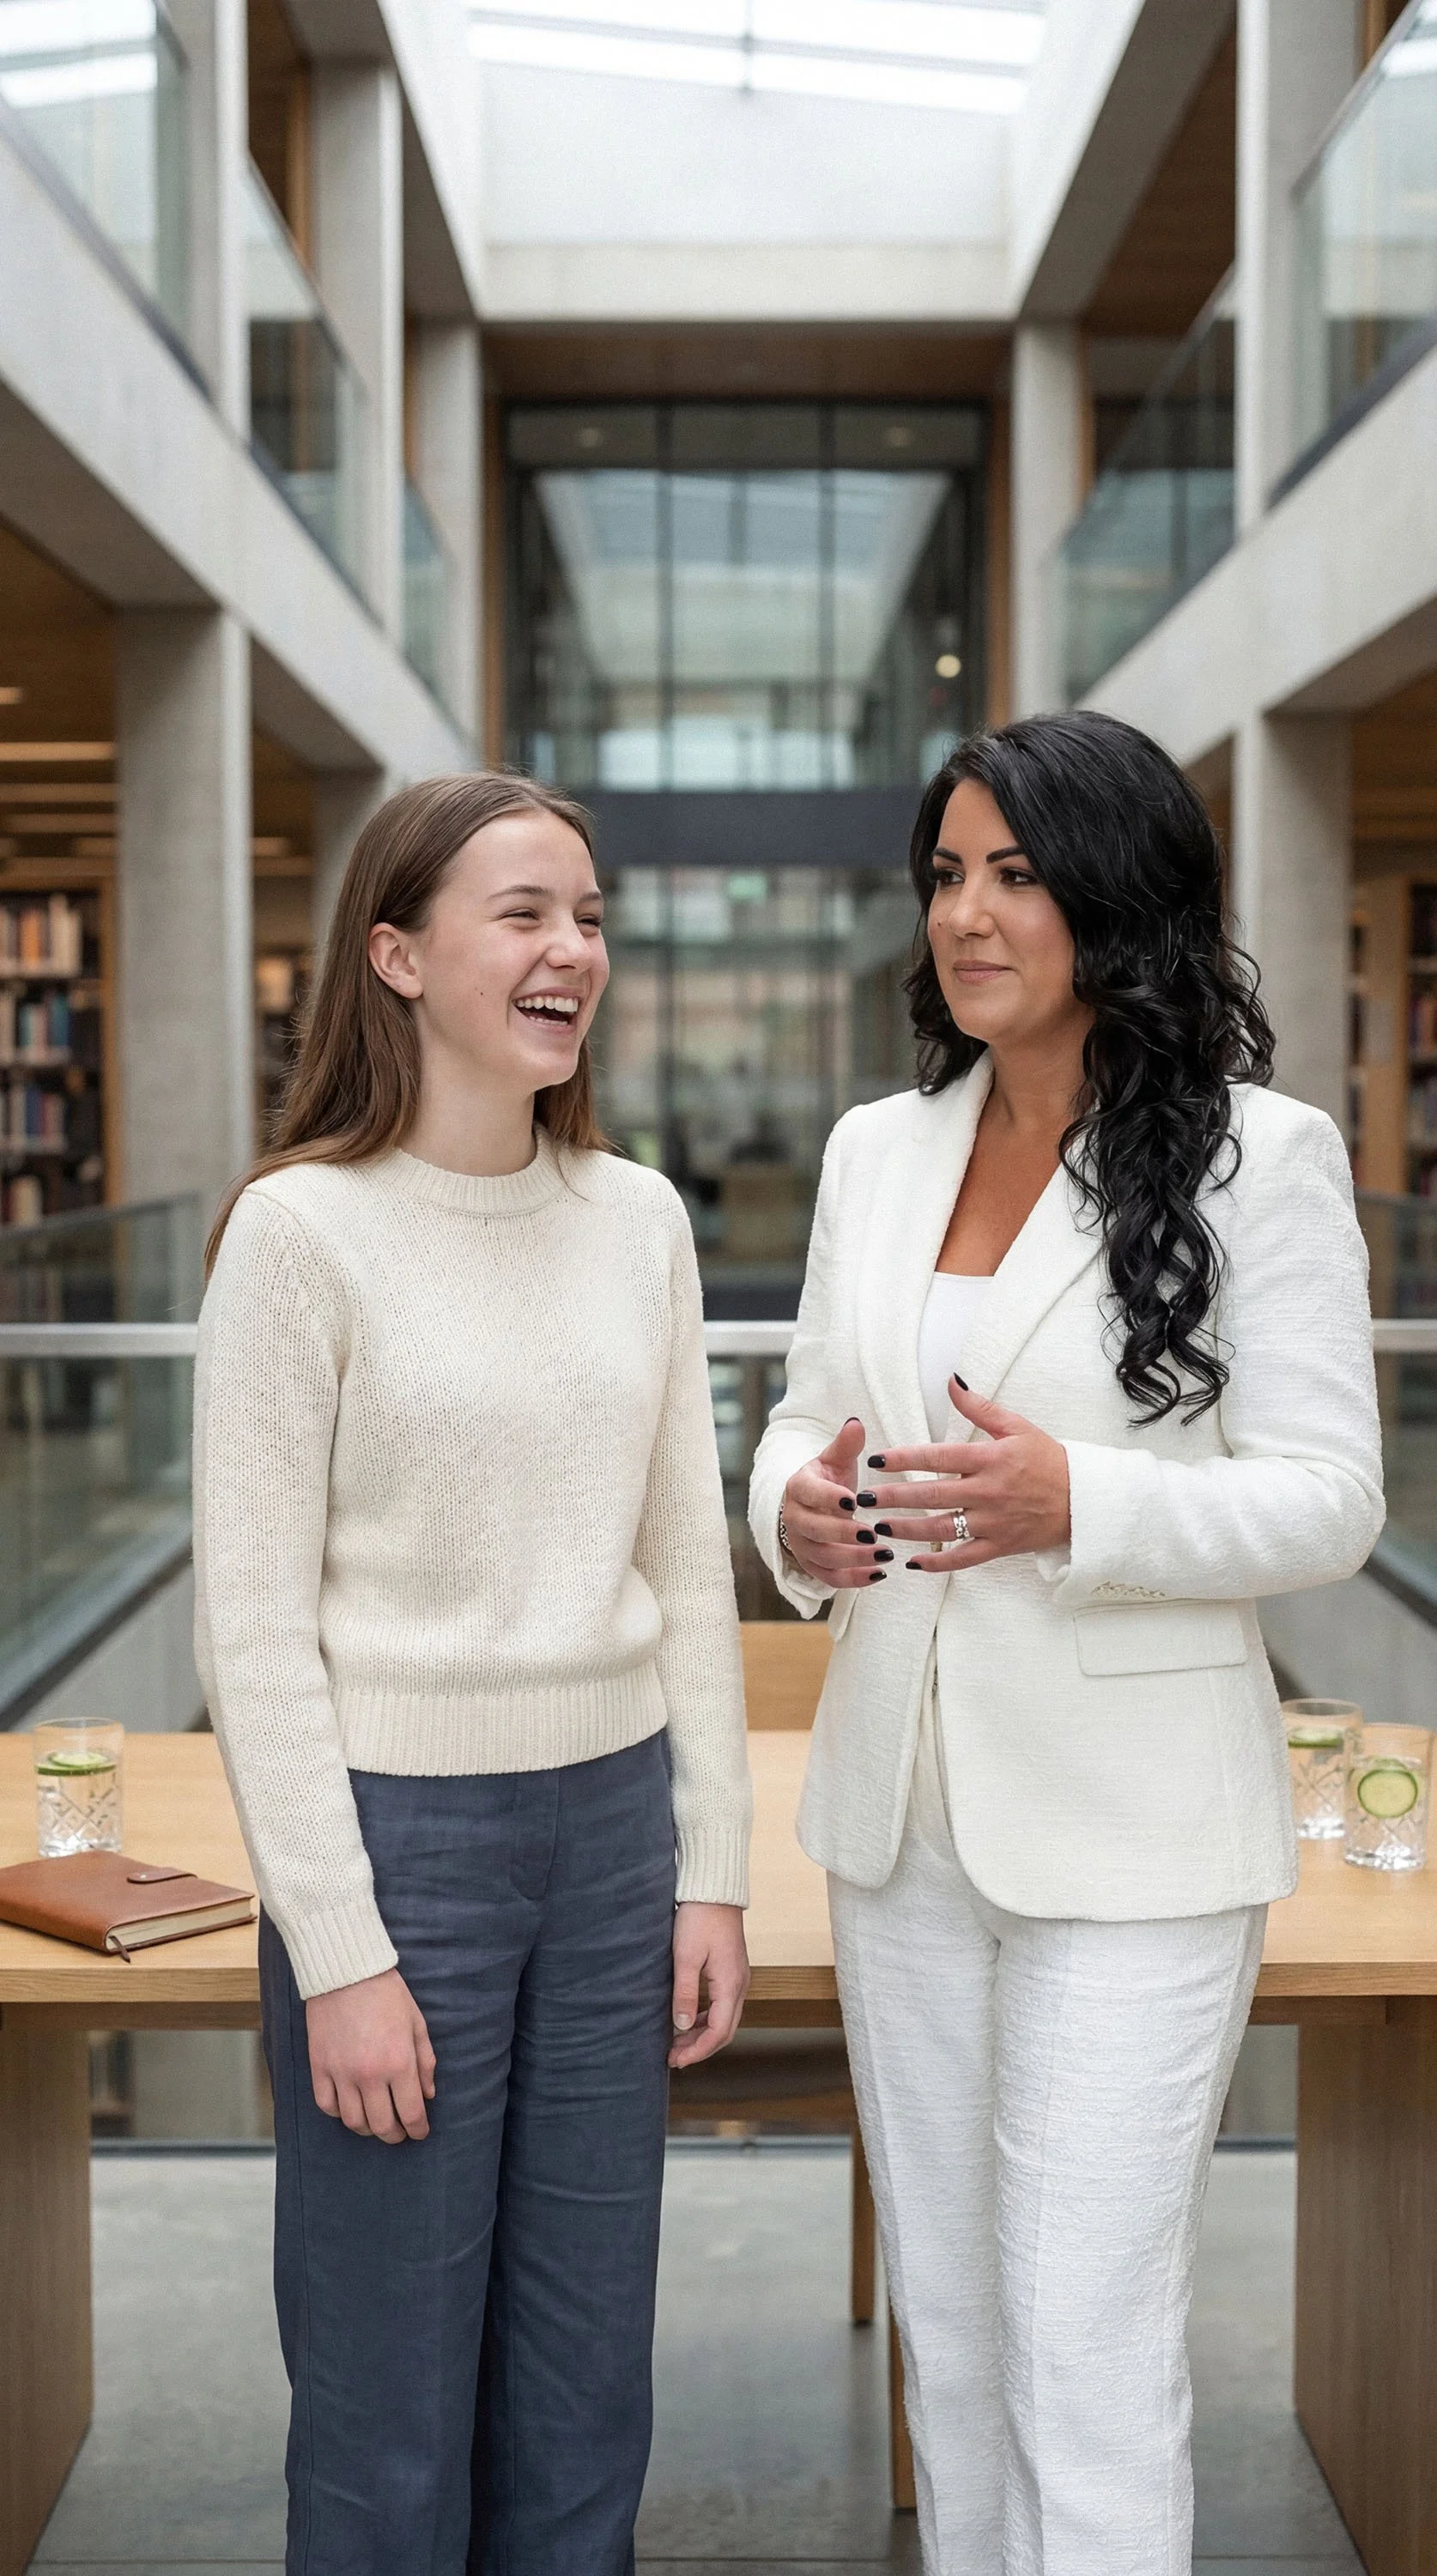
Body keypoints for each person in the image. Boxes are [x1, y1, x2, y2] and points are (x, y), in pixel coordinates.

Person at [749, 711, 1383, 2576]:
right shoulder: (880, 1149)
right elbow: (799, 1413)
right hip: (904, 1815)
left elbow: (1330, 1496)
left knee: (1084, 2341)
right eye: (946, 874)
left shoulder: (1267, 1157)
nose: (966, 912)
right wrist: (795, 1511)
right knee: (953, 2335)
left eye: (1015, 873)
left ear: (1118, 896)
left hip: (1134, 1834)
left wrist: (1079, 1509)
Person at [194, 773, 752, 2576]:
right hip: (396, 1854)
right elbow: (258, 1633)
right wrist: (340, 1952)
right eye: (522, 913)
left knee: (589, 2383)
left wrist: (713, 1869)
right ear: (396, 954)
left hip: (610, 1847)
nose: (570, 949)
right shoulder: (300, 1234)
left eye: (586, 915)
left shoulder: (641, 1220)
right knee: (384, 2400)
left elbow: (689, 1572)